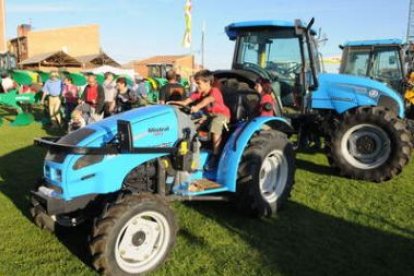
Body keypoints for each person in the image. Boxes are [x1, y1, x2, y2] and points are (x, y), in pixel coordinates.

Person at [168, 69, 231, 169]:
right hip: (209, 116)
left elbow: (208, 100)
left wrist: (197, 107)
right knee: (190, 125)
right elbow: (186, 102)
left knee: (215, 124)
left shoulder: (215, 91)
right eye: (196, 83)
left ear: (208, 82)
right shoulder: (198, 93)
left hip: (222, 115)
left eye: (199, 83)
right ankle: (192, 149)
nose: (197, 86)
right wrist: (172, 104)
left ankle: (215, 155)